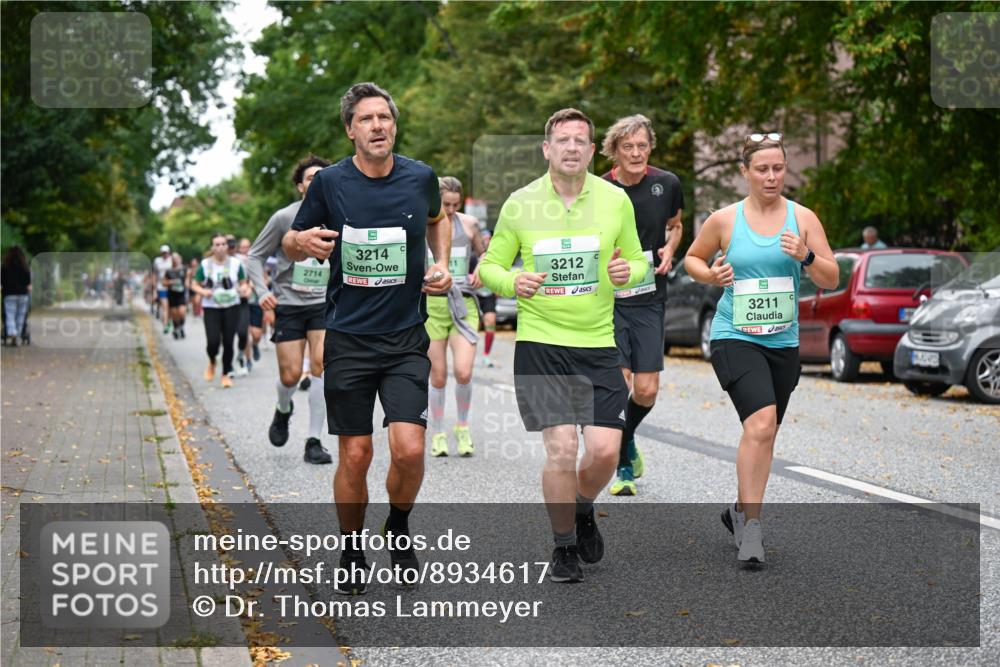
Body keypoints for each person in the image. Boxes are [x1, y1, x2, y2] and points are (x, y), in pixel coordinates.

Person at [283, 82, 452, 594]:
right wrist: (299, 241)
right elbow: (292, 241)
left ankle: (398, 525)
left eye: (385, 117)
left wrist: (441, 261)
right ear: (350, 129)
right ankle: (352, 545)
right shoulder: (329, 184)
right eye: (367, 119)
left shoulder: (420, 176)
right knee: (355, 454)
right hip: (350, 338)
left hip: (405, 338)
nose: (377, 126)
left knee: (409, 449)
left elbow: (437, 220)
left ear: (393, 125)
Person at [478, 108, 648, 583]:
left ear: (593, 151)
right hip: (542, 343)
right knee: (561, 449)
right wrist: (515, 281)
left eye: (580, 140)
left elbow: (638, 262)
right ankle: (563, 546)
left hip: (597, 343)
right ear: (547, 148)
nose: (572, 147)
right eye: (563, 140)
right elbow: (489, 267)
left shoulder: (615, 201)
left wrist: (626, 272)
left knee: (605, 454)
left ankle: (581, 506)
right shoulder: (520, 203)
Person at [684, 132, 838, 564]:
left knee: (765, 432)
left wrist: (806, 256)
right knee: (761, 422)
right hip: (735, 335)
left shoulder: (802, 218)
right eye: (762, 169)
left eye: (778, 168)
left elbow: (831, 278)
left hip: (783, 342)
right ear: (745, 172)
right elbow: (692, 259)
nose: (771, 177)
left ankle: (738, 511)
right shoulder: (725, 220)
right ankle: (752, 529)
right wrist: (711, 276)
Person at [599, 114, 684, 496]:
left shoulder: (667, 184)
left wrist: (670, 248)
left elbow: (676, 224)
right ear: (614, 150)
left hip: (650, 297)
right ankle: (623, 468)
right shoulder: (598, 189)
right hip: (609, 300)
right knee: (620, 383)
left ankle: (626, 437)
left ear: (650, 148)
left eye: (642, 146)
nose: (635, 153)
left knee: (646, 390)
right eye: (627, 147)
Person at [246, 154, 333, 466]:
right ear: (300, 186)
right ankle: (284, 408)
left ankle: (314, 440)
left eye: (323, 176)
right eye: (311, 178)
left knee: (321, 365)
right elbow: (254, 256)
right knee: (291, 374)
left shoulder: (340, 213)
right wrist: (261, 291)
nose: (317, 181)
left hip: (324, 303)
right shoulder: (284, 217)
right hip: (290, 303)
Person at [426, 176, 487, 457]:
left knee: (463, 371)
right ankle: (437, 431)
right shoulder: (424, 224)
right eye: (444, 204)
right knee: (437, 377)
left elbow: (486, 255)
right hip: (431, 306)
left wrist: (479, 271)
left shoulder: (469, 225)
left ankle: (462, 427)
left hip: (463, 304)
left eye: (454, 205)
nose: (449, 210)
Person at [192, 233, 250, 389]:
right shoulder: (205, 265)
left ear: (227, 246)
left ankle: (225, 373)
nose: (220, 247)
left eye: (223, 244)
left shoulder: (236, 264)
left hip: (232, 306)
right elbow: (194, 284)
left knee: (229, 341)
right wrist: (204, 292)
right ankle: (212, 361)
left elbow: (244, 283)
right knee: (213, 342)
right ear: (212, 247)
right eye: (216, 244)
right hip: (211, 307)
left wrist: (244, 289)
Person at [472, 226, 499, 368]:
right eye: (483, 239)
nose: (486, 241)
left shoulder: (496, 256)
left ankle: (486, 356)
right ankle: (470, 355)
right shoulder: (471, 255)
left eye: (489, 239)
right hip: (473, 295)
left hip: (489, 295)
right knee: (473, 326)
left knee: (491, 321)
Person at [2, 246, 31, 346]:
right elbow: (28, 282)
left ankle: (12, 332)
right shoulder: (25, 266)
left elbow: (2, 282)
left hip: (9, 294)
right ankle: (18, 337)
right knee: (21, 316)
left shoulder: (5, 266)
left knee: (9, 315)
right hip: (23, 295)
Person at [163, 252, 188, 339]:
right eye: (173, 259)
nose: (175, 260)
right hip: (172, 294)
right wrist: (171, 282)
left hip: (181, 293)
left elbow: (188, 280)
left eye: (177, 258)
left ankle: (181, 326)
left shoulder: (184, 269)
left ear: (180, 259)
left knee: (181, 312)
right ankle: (176, 328)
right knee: (174, 314)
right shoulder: (168, 271)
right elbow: (164, 282)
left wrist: (187, 284)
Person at [153, 245, 173, 333]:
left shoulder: (172, 260)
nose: (165, 254)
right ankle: (165, 325)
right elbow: (154, 274)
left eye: (166, 252)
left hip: (171, 287)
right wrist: (154, 289)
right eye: (163, 253)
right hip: (161, 286)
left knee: (169, 307)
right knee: (165, 306)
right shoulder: (157, 261)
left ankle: (168, 321)